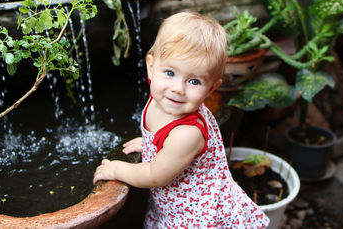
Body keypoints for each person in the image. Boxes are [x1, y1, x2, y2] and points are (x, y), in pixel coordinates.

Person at [93, 12, 269, 228]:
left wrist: (116, 170)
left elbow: (155, 175)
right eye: (169, 72)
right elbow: (164, 140)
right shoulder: (162, 98)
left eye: (194, 81)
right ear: (151, 66)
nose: (177, 88)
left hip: (195, 218)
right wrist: (151, 144)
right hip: (176, 205)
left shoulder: (187, 133)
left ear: (212, 88)